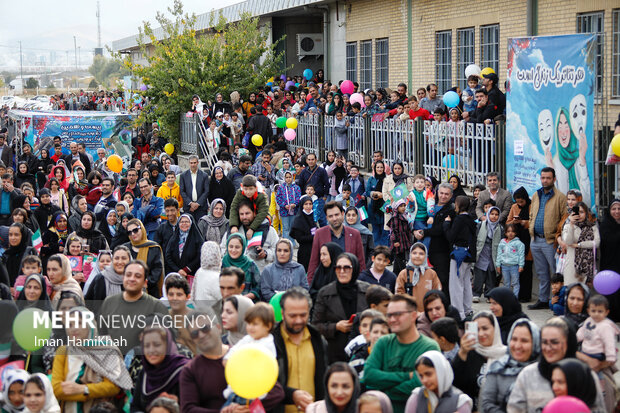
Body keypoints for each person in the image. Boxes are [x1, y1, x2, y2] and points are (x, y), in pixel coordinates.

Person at [180, 309, 285, 413]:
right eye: (194, 333)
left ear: (218, 328)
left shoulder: (244, 355)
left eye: (205, 328)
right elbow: (188, 409)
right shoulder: (190, 370)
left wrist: (247, 408)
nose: (201, 335)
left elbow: (276, 393)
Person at [507, 317, 606, 413]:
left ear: (569, 343)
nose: (548, 348)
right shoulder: (528, 375)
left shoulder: (586, 376)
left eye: (554, 342)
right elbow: (514, 409)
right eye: (544, 342)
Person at [363, 294, 440, 413]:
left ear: (414, 315)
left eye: (398, 314)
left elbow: (419, 385)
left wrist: (383, 391)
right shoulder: (383, 342)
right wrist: (407, 376)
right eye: (389, 315)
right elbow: (369, 375)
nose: (392, 319)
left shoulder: (429, 347)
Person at [51, 307, 132, 412]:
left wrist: (84, 389)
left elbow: (113, 386)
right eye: (70, 325)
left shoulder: (106, 349)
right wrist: (90, 392)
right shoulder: (63, 351)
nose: (74, 329)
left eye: (79, 323)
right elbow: (56, 388)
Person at [273, 287, 329, 413]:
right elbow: (264, 384)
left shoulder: (318, 340)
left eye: (303, 315)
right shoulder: (270, 342)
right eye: (292, 316)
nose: (298, 320)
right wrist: (291, 395)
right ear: (282, 313)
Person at [98, 260, 168, 354]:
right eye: (128, 275)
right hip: (113, 363)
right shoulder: (109, 302)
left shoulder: (157, 307)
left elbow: (166, 341)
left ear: (145, 282)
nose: (132, 279)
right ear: (123, 278)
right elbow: (101, 335)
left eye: (137, 276)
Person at [313, 253, 370, 363]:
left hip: (362, 352)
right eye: (338, 267)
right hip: (334, 353)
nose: (342, 271)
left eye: (347, 267)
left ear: (355, 268)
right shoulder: (325, 293)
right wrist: (336, 327)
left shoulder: (366, 290)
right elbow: (315, 326)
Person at [480, 319, 541, 413]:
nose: (517, 346)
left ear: (535, 343)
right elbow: (487, 403)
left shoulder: (543, 370)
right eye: (514, 339)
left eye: (524, 341)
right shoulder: (498, 368)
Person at [528, 167, 566, 310]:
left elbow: (564, 219)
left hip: (550, 241)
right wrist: (532, 225)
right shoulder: (536, 195)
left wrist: (558, 237)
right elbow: (532, 214)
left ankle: (558, 301)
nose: (545, 180)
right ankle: (543, 300)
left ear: (554, 179)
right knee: (541, 272)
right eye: (543, 178)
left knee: (556, 272)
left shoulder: (560, 197)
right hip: (535, 239)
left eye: (548, 178)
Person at [451, 311, 506, 410]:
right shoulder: (469, 353)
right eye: (477, 330)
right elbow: (455, 384)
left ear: (495, 329)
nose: (481, 334)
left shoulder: (507, 355)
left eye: (485, 328)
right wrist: (462, 353)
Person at [130, 324, 190, 412]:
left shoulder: (183, 372)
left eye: (157, 345)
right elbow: (135, 406)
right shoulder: (145, 373)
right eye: (146, 346)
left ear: (167, 346)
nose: (151, 350)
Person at [307, 202, 366, 282]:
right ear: (327, 218)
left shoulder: (355, 234)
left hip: (350, 282)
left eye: (336, 214)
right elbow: (314, 263)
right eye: (330, 216)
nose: (334, 218)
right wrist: (310, 287)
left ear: (342, 214)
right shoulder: (319, 234)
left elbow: (361, 263)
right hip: (327, 284)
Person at [404, 351, 473, 413]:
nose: (424, 380)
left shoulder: (460, 401)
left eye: (428, 374)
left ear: (441, 372)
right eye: (421, 376)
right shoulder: (417, 396)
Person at [444, 196, 476, 320]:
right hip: (469, 255)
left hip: (458, 254)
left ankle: (458, 313)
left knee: (456, 284)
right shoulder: (471, 219)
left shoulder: (459, 219)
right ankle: (468, 310)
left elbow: (451, 236)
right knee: (466, 283)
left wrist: (447, 224)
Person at [421, 183, 455, 296]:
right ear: (436, 193)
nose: (443, 196)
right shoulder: (429, 206)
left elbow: (441, 229)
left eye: (446, 194)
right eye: (441, 193)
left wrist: (424, 232)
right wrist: (415, 231)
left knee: (442, 279)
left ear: (451, 196)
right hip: (425, 248)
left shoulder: (451, 210)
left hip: (441, 250)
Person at [560, 201, 600, 285]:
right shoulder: (568, 226)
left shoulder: (592, 227)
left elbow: (596, 243)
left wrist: (579, 245)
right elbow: (568, 241)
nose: (580, 215)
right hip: (571, 266)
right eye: (577, 212)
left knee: (584, 293)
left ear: (586, 213)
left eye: (582, 212)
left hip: (587, 266)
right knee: (571, 292)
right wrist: (571, 224)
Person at [124, 219, 165, 298]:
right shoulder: (125, 248)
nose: (133, 234)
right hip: (128, 291)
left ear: (142, 229)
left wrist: (141, 283)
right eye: (129, 232)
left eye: (135, 230)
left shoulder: (153, 247)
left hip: (150, 291)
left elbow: (157, 270)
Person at [84, 246, 131, 313]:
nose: (120, 262)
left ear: (129, 260)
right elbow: (88, 302)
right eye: (116, 258)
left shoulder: (133, 279)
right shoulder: (101, 278)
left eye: (124, 258)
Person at [506, 187, 533, 303]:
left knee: (527, 268)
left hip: (528, 240)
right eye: (518, 201)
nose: (520, 204)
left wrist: (523, 222)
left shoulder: (532, 207)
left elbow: (533, 222)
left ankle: (526, 295)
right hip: (516, 240)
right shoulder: (514, 207)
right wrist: (515, 222)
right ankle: (517, 293)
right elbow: (508, 222)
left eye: (522, 201)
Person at [473, 206, 503, 303]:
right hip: (482, 252)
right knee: (479, 275)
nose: (494, 216)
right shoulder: (481, 225)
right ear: (488, 214)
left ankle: (489, 294)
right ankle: (476, 294)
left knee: (491, 275)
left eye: (496, 214)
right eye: (492, 214)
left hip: (493, 254)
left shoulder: (500, 228)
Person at [221, 233, 260, 301]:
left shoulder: (250, 264)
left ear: (243, 247)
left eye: (237, 247)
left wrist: (245, 298)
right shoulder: (222, 263)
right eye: (231, 246)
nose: (233, 250)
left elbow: (259, 287)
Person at [599, 199, 620, 321]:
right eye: (614, 209)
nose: (617, 211)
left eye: (619, 208)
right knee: (612, 289)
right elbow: (608, 241)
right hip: (610, 263)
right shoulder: (605, 225)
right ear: (609, 211)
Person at [164, 214, 202, 280]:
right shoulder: (173, 239)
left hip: (192, 274)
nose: (184, 224)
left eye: (187, 222)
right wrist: (178, 270)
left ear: (191, 223)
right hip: (175, 274)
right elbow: (168, 256)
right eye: (182, 222)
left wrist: (187, 269)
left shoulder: (197, 239)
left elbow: (199, 256)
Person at [295, 153, 330, 226]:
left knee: (322, 219)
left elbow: (326, 184)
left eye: (312, 159)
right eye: (309, 160)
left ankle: (324, 236)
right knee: (308, 220)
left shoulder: (321, 171)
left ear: (316, 160)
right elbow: (300, 185)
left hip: (319, 199)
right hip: (307, 200)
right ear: (306, 161)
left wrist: (325, 196)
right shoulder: (303, 172)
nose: (311, 161)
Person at [496, 223, 526, 299]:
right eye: (508, 231)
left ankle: (515, 298)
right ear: (505, 232)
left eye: (512, 231)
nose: (510, 233)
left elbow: (521, 255)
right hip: (504, 266)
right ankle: (507, 298)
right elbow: (499, 254)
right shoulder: (502, 243)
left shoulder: (519, 244)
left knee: (515, 283)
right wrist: (498, 265)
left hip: (514, 266)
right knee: (506, 283)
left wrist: (521, 265)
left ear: (515, 233)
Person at [290, 195, 318, 271]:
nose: (308, 206)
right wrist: (314, 236)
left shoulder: (311, 216)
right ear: (302, 205)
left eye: (310, 204)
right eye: (306, 204)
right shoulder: (299, 219)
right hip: (304, 252)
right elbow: (299, 238)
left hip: (314, 250)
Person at [179, 155, 209, 220]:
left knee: (201, 228)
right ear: (189, 163)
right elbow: (182, 191)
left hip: (201, 208)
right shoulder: (183, 175)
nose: (193, 165)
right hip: (188, 207)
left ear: (197, 163)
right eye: (191, 163)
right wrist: (190, 203)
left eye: (194, 163)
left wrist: (197, 204)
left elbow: (206, 191)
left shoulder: (204, 175)